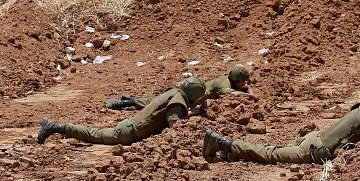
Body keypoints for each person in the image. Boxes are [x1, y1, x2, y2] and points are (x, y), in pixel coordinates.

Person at [203, 85, 360, 164]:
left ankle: (230, 151)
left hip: (315, 140)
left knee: (273, 151)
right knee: (270, 154)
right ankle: (224, 145)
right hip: (313, 149)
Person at [37, 77, 207, 146]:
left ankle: (57, 127)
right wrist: (194, 113)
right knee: (94, 135)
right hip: (128, 133)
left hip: (130, 126)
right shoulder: (178, 102)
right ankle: (56, 127)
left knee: (94, 132)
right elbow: (174, 124)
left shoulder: (174, 93)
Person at [106, 65, 257, 111]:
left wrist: (249, 91)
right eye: (243, 81)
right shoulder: (223, 85)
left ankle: (130, 100)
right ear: (237, 81)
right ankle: (122, 103)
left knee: (156, 100)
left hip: (192, 96)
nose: (245, 84)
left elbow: (244, 89)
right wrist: (250, 96)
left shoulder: (230, 81)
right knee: (157, 103)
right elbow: (232, 95)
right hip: (189, 97)